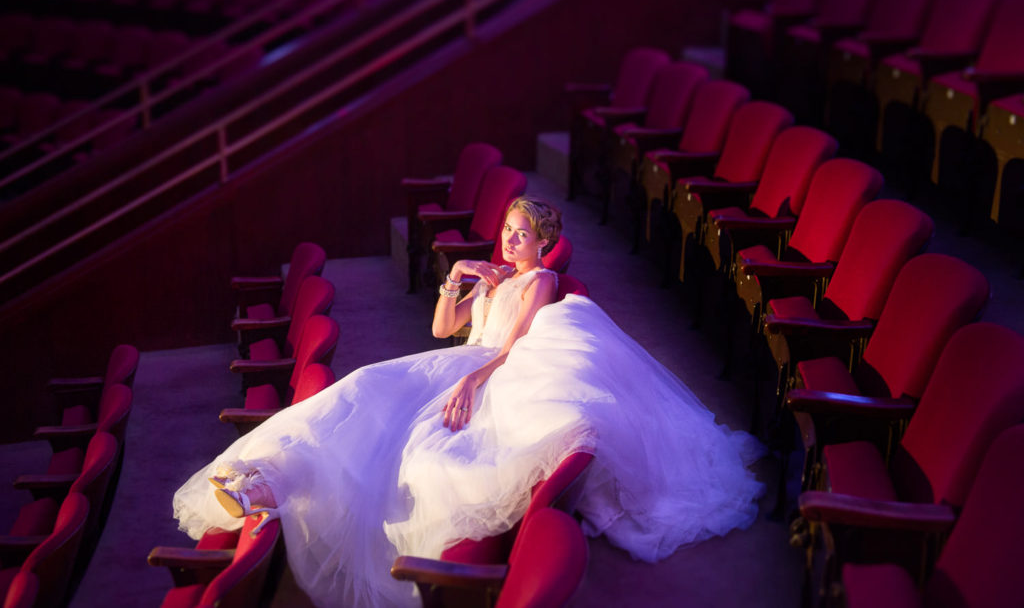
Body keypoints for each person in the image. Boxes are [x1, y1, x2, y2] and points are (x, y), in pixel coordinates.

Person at [173, 197, 765, 607]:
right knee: (358, 392)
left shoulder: (540, 282)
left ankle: (272, 490)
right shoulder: (492, 274)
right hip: (447, 362)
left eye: (523, 234)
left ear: (544, 243)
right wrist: (456, 275)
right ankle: (262, 483)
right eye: (507, 230)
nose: (511, 240)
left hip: (481, 369)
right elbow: (439, 328)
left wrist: (471, 381)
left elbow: (509, 348)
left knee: (393, 439)